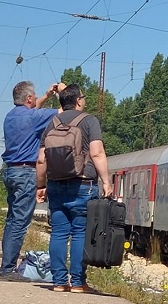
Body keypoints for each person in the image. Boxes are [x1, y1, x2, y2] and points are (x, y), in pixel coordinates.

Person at [36, 84, 112, 293]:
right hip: (83, 183)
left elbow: (41, 160)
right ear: (78, 100)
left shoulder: (51, 124)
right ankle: (78, 282)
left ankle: (59, 282)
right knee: (80, 232)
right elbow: (97, 153)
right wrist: (106, 181)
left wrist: (40, 185)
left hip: (56, 184)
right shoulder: (89, 121)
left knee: (59, 232)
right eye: (83, 98)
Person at [0, 80, 62, 282]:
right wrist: (63, 91)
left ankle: (7, 265)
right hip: (26, 172)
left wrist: (46, 95)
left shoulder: (10, 116)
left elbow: (33, 109)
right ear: (28, 98)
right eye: (34, 96)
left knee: (12, 220)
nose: (36, 99)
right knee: (19, 222)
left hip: (10, 172)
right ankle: (8, 270)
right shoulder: (34, 117)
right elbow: (65, 111)